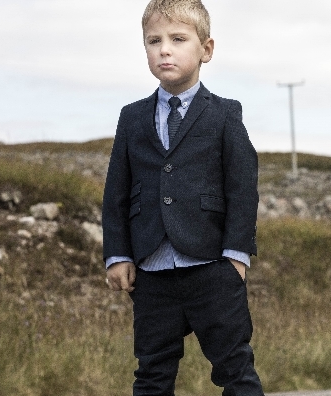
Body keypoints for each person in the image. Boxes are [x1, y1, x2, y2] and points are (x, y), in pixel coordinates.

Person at [101, 0, 263, 394]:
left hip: (212, 267)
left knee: (235, 369)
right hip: (152, 273)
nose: (164, 49)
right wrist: (118, 254)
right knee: (152, 373)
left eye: (177, 39)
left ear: (206, 49)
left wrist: (236, 259)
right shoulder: (132, 117)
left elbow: (243, 188)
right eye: (153, 41)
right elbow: (116, 192)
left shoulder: (225, 114)